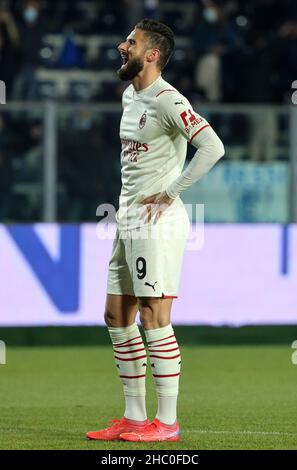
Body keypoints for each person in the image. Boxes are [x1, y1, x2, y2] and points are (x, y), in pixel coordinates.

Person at [86, 18, 224, 443]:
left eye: (131, 41)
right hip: (127, 218)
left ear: (152, 54)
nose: (120, 46)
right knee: (116, 315)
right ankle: (133, 416)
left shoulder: (168, 99)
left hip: (156, 222)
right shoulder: (131, 95)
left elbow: (213, 147)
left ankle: (166, 423)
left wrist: (170, 191)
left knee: (154, 317)